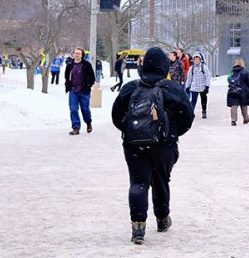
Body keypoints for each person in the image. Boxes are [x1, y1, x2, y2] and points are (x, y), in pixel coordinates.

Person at [111, 47, 194, 245]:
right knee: (161, 180)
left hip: (134, 145)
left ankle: (138, 226)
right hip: (165, 145)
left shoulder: (130, 88)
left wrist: (132, 131)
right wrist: (171, 133)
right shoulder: (173, 88)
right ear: (164, 66)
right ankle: (162, 218)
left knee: (138, 183)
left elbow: (116, 115)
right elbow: (188, 117)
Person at [64, 47, 95, 135]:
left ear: (82, 55)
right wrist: (67, 85)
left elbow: (92, 78)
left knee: (85, 109)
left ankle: (88, 122)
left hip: (84, 91)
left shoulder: (87, 65)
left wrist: (88, 85)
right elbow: (66, 77)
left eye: (78, 53)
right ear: (73, 54)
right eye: (75, 53)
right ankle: (76, 127)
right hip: (73, 90)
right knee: (73, 109)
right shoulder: (70, 64)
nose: (76, 55)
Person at [227, 57, 249, 126]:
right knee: (243, 105)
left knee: (234, 105)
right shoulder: (245, 71)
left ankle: (233, 119)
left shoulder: (231, 71)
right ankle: (246, 118)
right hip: (243, 91)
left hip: (233, 90)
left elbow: (228, 79)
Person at [184, 53, 211, 118]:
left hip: (202, 87)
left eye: (197, 59)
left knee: (203, 100)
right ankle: (191, 112)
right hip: (194, 87)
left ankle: (204, 111)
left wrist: (207, 86)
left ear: (200, 60)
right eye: (195, 59)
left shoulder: (204, 67)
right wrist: (187, 86)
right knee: (193, 100)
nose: (196, 61)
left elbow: (208, 76)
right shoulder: (191, 68)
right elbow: (189, 78)